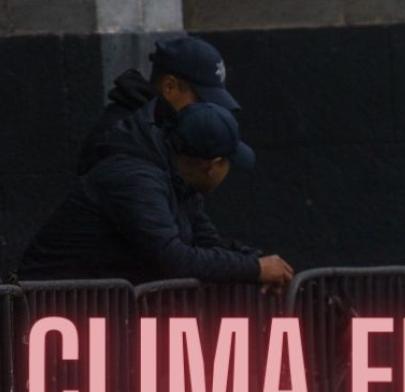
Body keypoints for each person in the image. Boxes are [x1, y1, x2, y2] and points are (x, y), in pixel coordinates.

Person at [19, 101, 292, 288]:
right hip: (49, 315)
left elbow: (208, 244)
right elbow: (173, 259)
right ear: (212, 165)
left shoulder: (178, 181)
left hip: (85, 310)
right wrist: (254, 269)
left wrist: (259, 265)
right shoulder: (136, 180)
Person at [78, 36, 239, 175]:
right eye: (201, 101)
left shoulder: (166, 131)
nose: (208, 111)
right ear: (169, 87)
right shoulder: (121, 136)